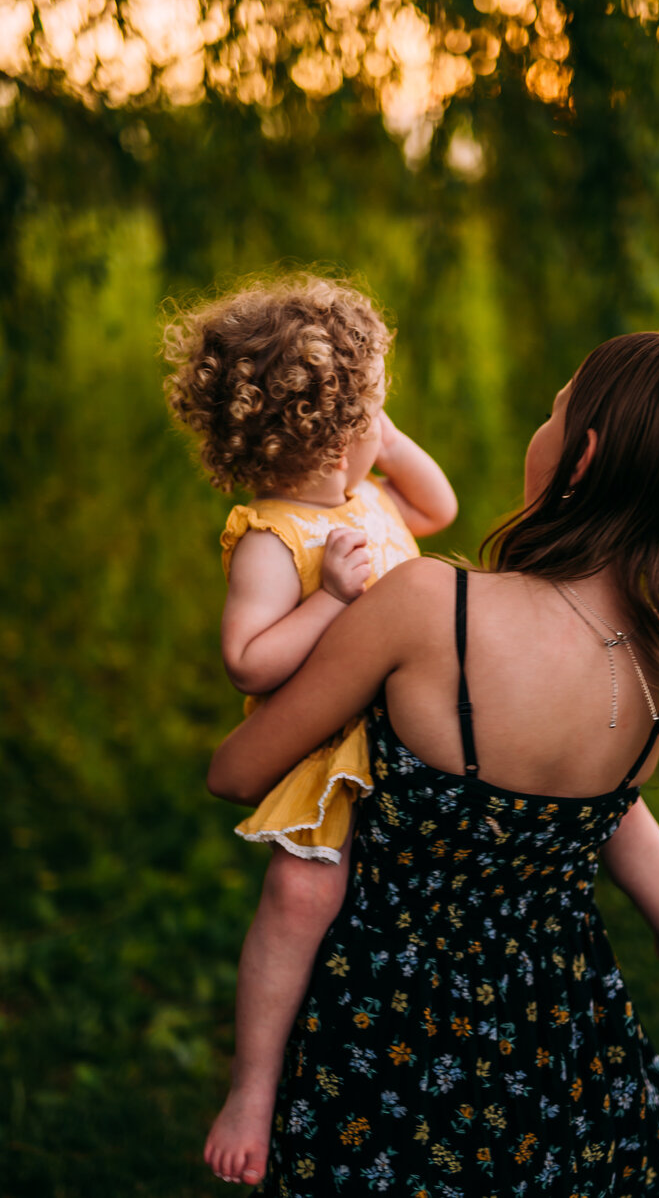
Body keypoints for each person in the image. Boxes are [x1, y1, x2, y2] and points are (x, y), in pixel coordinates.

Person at [206, 332, 659, 1196]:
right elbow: (611, 816)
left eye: (555, 410)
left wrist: (323, 615)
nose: (543, 425)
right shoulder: (654, 663)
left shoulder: (428, 606)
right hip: (559, 1031)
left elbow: (239, 772)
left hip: (390, 1023)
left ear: (581, 458)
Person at [163, 273, 458, 1186]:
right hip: (327, 748)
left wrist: (390, 441)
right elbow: (249, 661)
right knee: (301, 900)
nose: (384, 429)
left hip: (414, 730)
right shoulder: (273, 537)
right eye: (373, 412)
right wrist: (330, 598)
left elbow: (439, 509)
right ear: (334, 438)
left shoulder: (368, 502)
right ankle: (253, 1084)